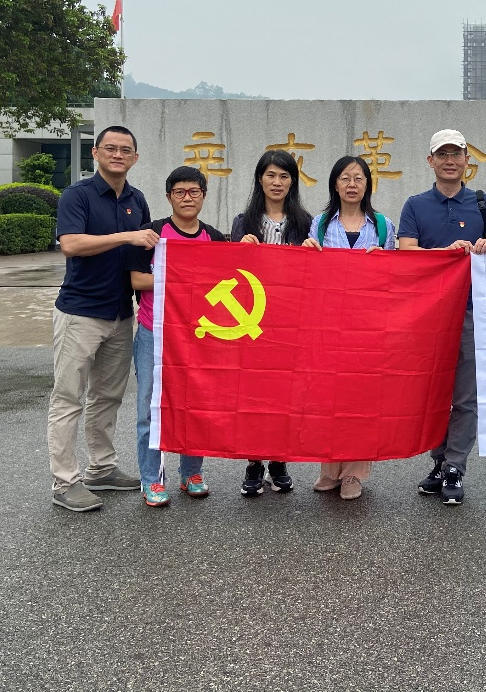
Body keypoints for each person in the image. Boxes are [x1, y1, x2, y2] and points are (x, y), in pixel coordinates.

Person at [48, 125, 157, 512]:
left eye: (125, 150)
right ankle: (65, 481)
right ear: (95, 153)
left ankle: (101, 468)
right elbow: (71, 244)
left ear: (135, 158)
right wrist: (127, 236)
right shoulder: (77, 196)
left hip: (121, 314)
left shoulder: (136, 200)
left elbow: (144, 256)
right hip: (80, 313)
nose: (117, 155)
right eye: (110, 148)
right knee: (68, 398)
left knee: (107, 397)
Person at [397, 129, 486, 506]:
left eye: (456, 154)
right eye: (442, 154)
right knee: (432, 393)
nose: (450, 161)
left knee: (466, 396)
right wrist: (445, 253)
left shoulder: (480, 202)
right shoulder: (415, 204)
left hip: (472, 310)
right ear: (430, 161)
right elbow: (406, 250)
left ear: (466, 161)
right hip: (428, 314)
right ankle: (439, 462)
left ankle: (456, 466)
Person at [125, 166, 227, 507]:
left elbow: (224, 280)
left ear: (203, 196)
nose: (187, 198)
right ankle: (151, 479)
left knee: (194, 405)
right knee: (149, 409)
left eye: (194, 192)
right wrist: (183, 276)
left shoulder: (214, 238)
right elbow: (137, 280)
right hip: (154, 332)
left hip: (198, 335)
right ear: (169, 196)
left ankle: (192, 473)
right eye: (180, 192)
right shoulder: (152, 233)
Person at [301, 155, 398, 499]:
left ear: (368, 184)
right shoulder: (320, 224)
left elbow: (396, 274)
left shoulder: (383, 224)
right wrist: (307, 250)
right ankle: (330, 469)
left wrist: (383, 260)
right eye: (345, 178)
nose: (352, 184)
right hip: (329, 323)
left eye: (358, 178)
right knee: (329, 396)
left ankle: (354, 473)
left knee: (361, 398)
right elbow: (309, 272)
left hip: (368, 325)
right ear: (335, 184)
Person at [231, 149, 313, 496]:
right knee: (253, 393)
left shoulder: (306, 222)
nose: (277, 182)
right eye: (270, 175)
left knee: (285, 394)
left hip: (291, 322)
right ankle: (254, 462)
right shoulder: (243, 221)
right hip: (252, 322)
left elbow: (317, 273)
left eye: (284, 176)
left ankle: (279, 459)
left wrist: (312, 251)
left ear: (292, 182)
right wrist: (239, 247)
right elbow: (230, 273)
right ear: (259, 179)